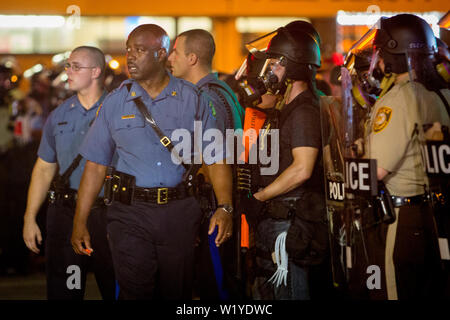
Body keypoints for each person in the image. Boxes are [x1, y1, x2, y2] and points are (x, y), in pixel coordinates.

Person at [71, 24, 233, 300]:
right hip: (129, 213)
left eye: (140, 50)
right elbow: (96, 165)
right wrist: (79, 220)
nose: (130, 56)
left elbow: (216, 157)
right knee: (135, 291)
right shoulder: (114, 102)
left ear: (161, 54)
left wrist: (225, 206)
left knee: (176, 291)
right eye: (128, 50)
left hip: (179, 214)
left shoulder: (193, 99)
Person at [362, 14, 450, 299]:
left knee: (392, 292)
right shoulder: (441, 93)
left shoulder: (400, 98)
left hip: (401, 219)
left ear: (392, 52)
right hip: (433, 216)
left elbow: (376, 170)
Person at [241, 21, 328, 300]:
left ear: (293, 67)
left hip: (289, 222)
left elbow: (302, 169)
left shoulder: (304, 110)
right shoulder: (287, 106)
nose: (270, 71)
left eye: (277, 64)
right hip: (278, 220)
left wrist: (260, 197)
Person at [22, 46, 116, 300]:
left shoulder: (118, 110)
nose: (68, 72)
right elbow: (43, 168)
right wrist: (30, 217)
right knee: (67, 290)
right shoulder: (59, 114)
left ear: (96, 71)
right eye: (68, 66)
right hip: (65, 213)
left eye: (76, 66)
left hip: (109, 213)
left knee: (116, 288)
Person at [168, 28, 244, 300]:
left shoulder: (205, 98)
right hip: (214, 203)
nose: (170, 57)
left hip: (211, 205)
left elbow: (213, 158)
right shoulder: (220, 90)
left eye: (175, 51)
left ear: (192, 58)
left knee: (215, 286)